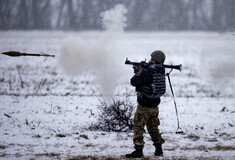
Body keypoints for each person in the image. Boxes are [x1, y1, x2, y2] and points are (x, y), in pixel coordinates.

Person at [125, 50, 166, 158]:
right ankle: (158, 149)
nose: (149, 59)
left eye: (151, 58)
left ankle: (138, 151)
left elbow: (133, 81)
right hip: (155, 105)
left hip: (144, 106)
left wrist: (139, 71)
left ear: (154, 59)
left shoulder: (147, 71)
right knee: (153, 128)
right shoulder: (161, 70)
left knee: (138, 127)